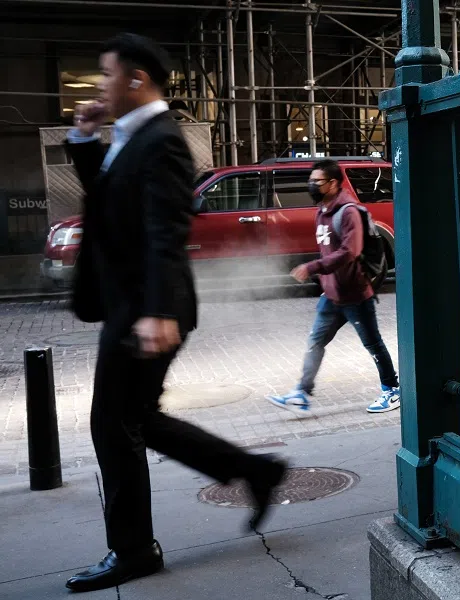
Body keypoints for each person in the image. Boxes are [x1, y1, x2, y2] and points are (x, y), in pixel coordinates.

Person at [63, 33, 286, 593]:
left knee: (114, 424)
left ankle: (134, 550)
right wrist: (83, 138)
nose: (101, 86)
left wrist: (158, 310)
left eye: (106, 74)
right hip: (132, 303)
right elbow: (109, 203)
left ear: (136, 78)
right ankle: (257, 471)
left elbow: (168, 227)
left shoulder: (161, 139)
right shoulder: (131, 137)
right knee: (135, 418)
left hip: (146, 306)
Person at [267, 160, 401, 414]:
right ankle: (301, 393)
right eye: (312, 180)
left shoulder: (348, 212)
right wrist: (324, 280)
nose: (312, 185)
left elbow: (350, 251)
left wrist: (313, 267)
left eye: (317, 181)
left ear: (333, 183)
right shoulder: (322, 210)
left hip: (354, 293)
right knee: (315, 341)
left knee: (373, 344)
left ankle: (391, 389)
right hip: (331, 294)